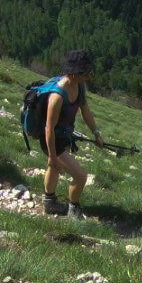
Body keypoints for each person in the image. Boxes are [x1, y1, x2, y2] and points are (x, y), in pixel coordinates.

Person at [40, 49, 104, 219]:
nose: (88, 76)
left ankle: (49, 203)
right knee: (80, 176)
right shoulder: (57, 96)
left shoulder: (79, 86)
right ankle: (73, 209)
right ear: (75, 73)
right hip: (53, 139)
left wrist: (96, 133)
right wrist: (52, 155)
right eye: (86, 72)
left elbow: (86, 111)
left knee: (54, 168)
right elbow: (49, 128)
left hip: (64, 135)